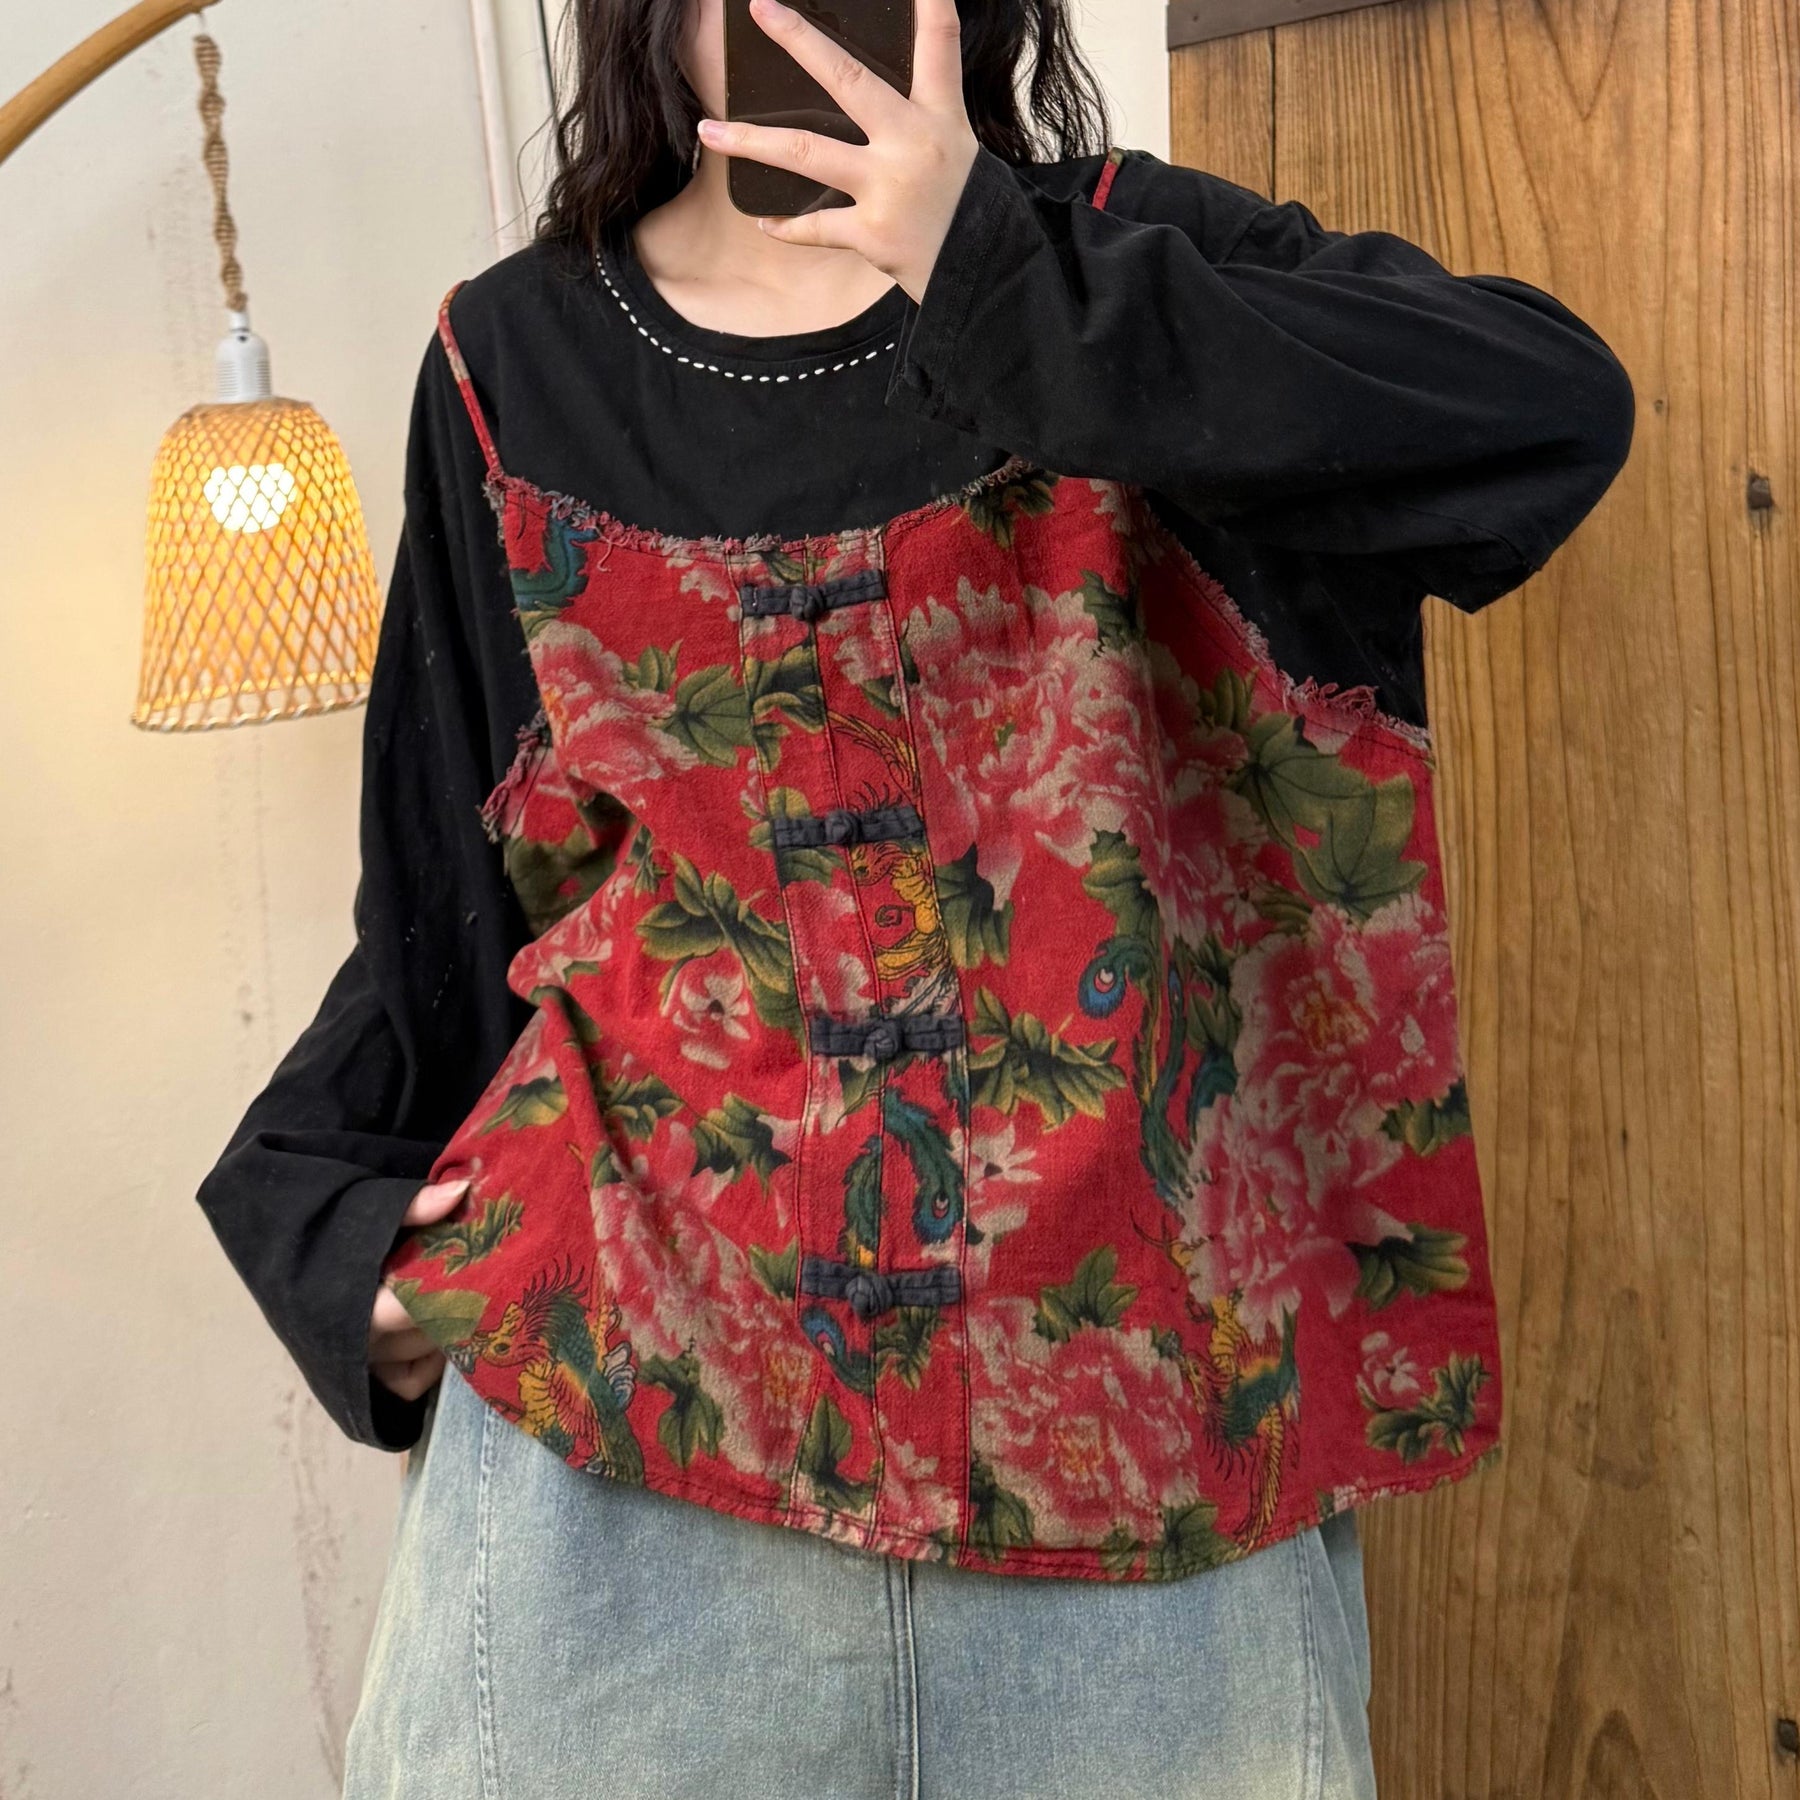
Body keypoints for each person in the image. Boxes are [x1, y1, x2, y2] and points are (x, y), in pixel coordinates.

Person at [194, 0, 1636, 1793]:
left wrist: (994, 271)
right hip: (623, 1481)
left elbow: (1547, 410)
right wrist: (346, 1249)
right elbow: (446, 888)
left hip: (1153, 1505)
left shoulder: (1124, 251)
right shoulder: (514, 360)